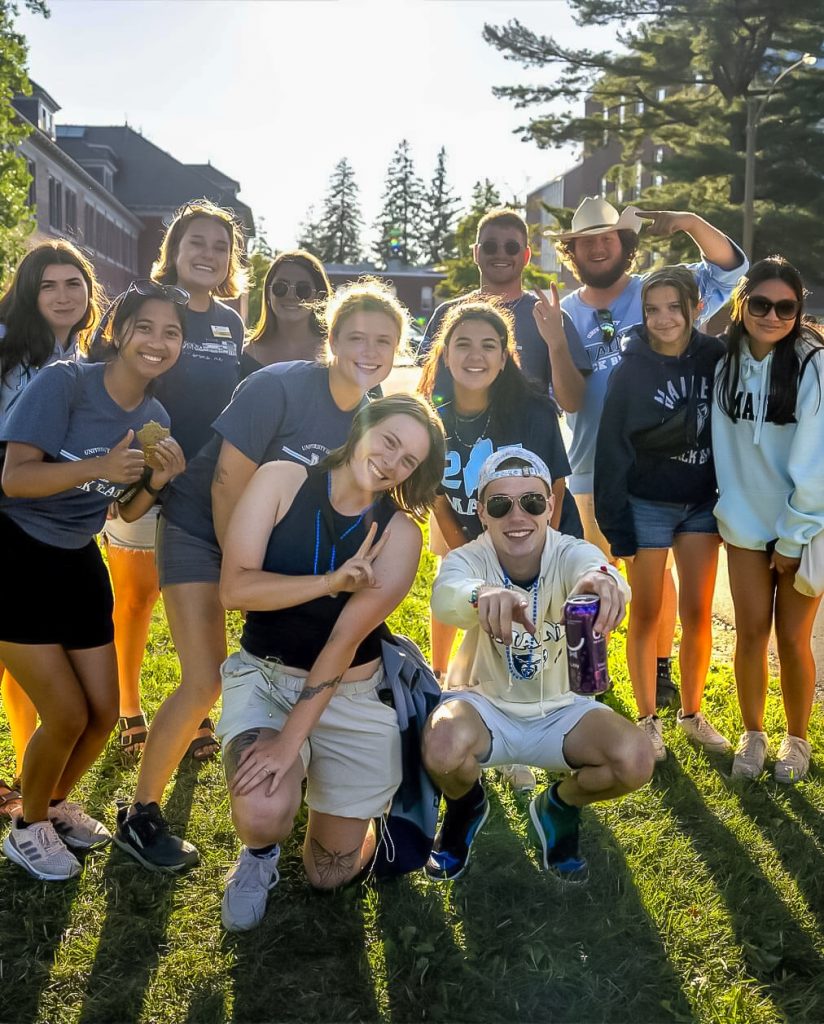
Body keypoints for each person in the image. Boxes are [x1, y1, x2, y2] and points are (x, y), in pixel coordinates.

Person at [114, 278, 412, 873]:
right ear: (330, 338)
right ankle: (140, 816)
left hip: (278, 554)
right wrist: (243, 573)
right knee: (204, 678)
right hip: (206, 529)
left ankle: (300, 783)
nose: (368, 349)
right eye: (356, 335)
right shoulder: (280, 386)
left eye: (384, 340)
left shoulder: (374, 415)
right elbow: (227, 480)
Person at [212, 395, 445, 931]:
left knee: (328, 873)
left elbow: (342, 641)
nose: (391, 462)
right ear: (362, 426)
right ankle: (260, 855)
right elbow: (234, 588)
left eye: (408, 460)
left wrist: (289, 742)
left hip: (353, 694)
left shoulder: (400, 535)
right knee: (264, 808)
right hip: (266, 678)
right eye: (389, 440)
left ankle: (359, 807)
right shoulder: (281, 480)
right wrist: (331, 582)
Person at [0, 280, 187, 880]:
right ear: (116, 331)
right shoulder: (66, 383)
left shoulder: (155, 416)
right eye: (145, 327)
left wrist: (156, 482)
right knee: (65, 714)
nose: (158, 342)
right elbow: (14, 480)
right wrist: (98, 466)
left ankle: (50, 806)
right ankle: (26, 829)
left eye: (172, 332)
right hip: (16, 555)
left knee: (104, 712)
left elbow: (124, 510)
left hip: (79, 559)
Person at [422, 448, 654, 882]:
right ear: (481, 512)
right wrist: (479, 596)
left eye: (531, 501)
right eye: (500, 504)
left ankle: (558, 805)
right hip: (484, 707)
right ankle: (466, 805)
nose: (517, 516)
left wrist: (604, 582)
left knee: (635, 760)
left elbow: (597, 568)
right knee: (441, 747)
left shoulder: (570, 552)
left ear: (551, 505)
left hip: (562, 711)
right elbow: (445, 595)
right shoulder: (469, 557)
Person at [553, 195, 747, 708]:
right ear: (572, 251)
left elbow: (731, 270)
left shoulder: (658, 291)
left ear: (625, 243)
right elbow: (567, 396)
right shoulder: (564, 311)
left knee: (653, 584)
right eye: (585, 241)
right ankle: (589, 679)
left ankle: (659, 677)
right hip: (592, 467)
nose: (597, 247)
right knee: (590, 581)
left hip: (663, 471)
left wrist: (687, 222)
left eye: (607, 236)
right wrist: (552, 339)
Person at [100, 200, 247, 759]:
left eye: (220, 246)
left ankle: (199, 709)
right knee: (135, 598)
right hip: (146, 475)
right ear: (175, 251)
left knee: (202, 599)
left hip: (208, 485)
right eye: (197, 243)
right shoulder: (145, 305)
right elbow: (104, 376)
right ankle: (129, 707)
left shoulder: (230, 322)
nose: (208, 255)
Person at [418, 298, 583, 792]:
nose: (475, 355)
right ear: (445, 354)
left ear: (505, 353)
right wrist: (473, 559)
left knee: (533, 632)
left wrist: (525, 550)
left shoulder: (530, 409)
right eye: (462, 343)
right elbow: (434, 495)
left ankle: (530, 740)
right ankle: (463, 701)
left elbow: (550, 488)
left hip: (537, 532)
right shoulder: (431, 415)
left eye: (488, 345)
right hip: (470, 535)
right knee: (479, 622)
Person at [594, 267, 729, 761]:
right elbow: (610, 446)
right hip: (645, 502)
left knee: (697, 612)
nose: (663, 318)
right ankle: (647, 719)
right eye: (653, 309)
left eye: (674, 307)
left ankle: (691, 713)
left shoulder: (716, 356)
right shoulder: (630, 369)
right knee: (647, 613)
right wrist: (616, 525)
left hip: (700, 502)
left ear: (696, 307)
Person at [0, 239, 104, 813]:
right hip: (10, 523)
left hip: (59, 531)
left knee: (64, 691)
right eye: (48, 285)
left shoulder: (86, 363)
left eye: (74, 284)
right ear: (27, 293)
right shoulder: (7, 351)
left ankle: (38, 798)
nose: (64, 296)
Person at [712, 257, 824, 783]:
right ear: (742, 303)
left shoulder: (813, 364)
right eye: (761, 303)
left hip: (805, 524)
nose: (772, 315)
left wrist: (795, 535)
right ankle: (753, 735)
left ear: (798, 312)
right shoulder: (723, 362)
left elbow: (816, 461)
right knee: (751, 634)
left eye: (786, 307)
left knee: (793, 638)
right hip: (743, 524)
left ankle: (797, 741)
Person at [419, 206, 591, 412]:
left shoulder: (549, 317)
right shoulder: (447, 315)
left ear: (526, 256)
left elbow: (573, 404)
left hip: (526, 441)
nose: (501, 254)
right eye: (490, 247)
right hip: (456, 442)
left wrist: (557, 344)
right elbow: (426, 395)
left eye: (511, 247)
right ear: (476, 252)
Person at [239, 250, 330, 377]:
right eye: (281, 287)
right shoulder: (244, 355)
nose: (291, 296)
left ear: (320, 297)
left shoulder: (335, 354)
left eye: (303, 289)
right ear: (268, 293)